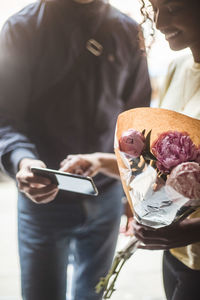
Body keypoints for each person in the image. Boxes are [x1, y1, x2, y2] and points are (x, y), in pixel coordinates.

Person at [0, 0, 151, 299]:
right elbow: (5, 117)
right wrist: (23, 160)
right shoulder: (22, 28)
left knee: (93, 294)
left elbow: (136, 121)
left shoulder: (128, 30)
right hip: (43, 198)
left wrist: (131, 188)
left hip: (106, 194)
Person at [131, 1, 200, 300]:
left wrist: (193, 230)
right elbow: (167, 161)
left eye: (173, 8)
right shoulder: (176, 67)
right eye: (154, 7)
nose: (158, 23)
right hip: (175, 253)